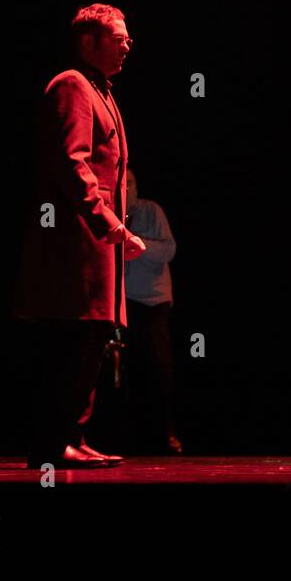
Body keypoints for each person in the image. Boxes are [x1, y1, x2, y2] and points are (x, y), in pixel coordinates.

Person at [14, 3, 146, 469]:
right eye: (119, 36)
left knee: (91, 339)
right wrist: (109, 224)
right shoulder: (72, 85)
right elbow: (73, 163)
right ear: (89, 42)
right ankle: (52, 444)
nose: (128, 44)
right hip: (76, 244)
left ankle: (71, 435)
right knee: (72, 339)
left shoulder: (100, 91)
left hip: (95, 246)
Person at [122, 167, 183, 454]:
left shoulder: (151, 211)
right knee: (126, 371)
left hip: (152, 302)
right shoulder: (108, 215)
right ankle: (131, 434)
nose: (125, 188)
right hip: (122, 304)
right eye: (122, 183)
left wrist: (137, 244)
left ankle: (164, 432)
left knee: (158, 368)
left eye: (130, 182)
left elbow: (168, 250)